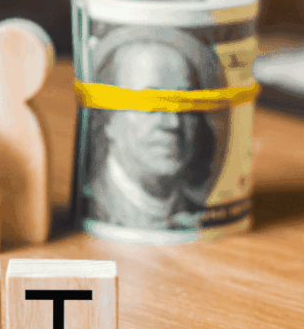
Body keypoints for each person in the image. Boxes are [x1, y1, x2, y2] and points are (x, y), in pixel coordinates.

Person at [86, 40, 213, 230]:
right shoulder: (94, 206)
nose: (173, 123)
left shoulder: (199, 212)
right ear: (109, 116)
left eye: (185, 103)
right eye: (150, 103)